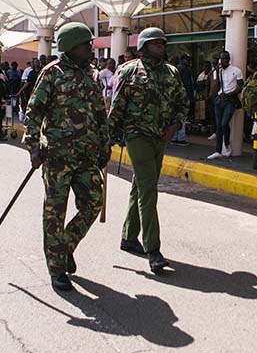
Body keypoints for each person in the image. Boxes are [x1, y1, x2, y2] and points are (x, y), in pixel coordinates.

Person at [24, 22, 110, 292]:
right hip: (58, 157)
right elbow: (34, 111)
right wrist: (34, 147)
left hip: (86, 156)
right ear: (72, 46)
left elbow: (99, 114)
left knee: (93, 203)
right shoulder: (52, 73)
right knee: (54, 213)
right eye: (87, 44)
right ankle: (57, 269)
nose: (91, 48)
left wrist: (104, 145)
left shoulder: (93, 75)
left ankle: (66, 246)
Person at [109, 27, 188, 273]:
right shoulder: (129, 70)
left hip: (160, 136)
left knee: (140, 186)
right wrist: (108, 138)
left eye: (163, 44)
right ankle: (153, 250)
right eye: (156, 44)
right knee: (148, 189)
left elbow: (182, 103)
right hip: (137, 135)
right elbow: (117, 106)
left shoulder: (171, 72)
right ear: (143, 47)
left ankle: (129, 237)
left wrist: (174, 126)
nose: (161, 47)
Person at [208, 51, 244, 160]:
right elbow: (213, 84)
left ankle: (227, 145)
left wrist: (229, 93)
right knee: (218, 125)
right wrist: (216, 72)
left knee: (224, 124)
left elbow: (240, 86)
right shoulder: (218, 71)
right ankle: (218, 151)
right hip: (219, 100)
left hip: (230, 100)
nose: (224, 61)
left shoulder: (236, 70)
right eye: (222, 59)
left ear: (229, 59)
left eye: (226, 59)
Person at [170, 54, 195, 147]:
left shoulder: (178, 69)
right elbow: (187, 85)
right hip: (182, 97)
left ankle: (175, 137)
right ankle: (179, 138)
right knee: (182, 117)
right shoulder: (183, 69)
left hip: (178, 96)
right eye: (188, 60)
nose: (189, 62)